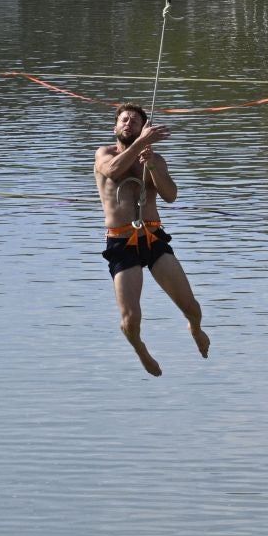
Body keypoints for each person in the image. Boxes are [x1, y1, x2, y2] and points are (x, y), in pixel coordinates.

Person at [94, 103, 208, 376]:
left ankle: (194, 327)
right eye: (124, 120)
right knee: (131, 319)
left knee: (191, 306)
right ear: (115, 127)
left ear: (144, 127)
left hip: (153, 237)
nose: (128, 123)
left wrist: (154, 166)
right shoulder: (104, 154)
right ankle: (140, 349)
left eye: (135, 121)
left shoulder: (153, 157)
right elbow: (112, 171)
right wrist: (140, 143)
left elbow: (170, 196)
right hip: (122, 243)